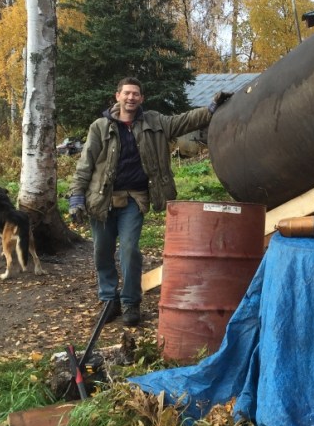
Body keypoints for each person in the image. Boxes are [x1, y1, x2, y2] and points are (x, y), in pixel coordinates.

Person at [68, 77, 232, 326]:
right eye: (126, 93)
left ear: (141, 99)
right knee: (102, 250)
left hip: (134, 199)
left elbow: (183, 121)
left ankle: (131, 302)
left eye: (135, 94)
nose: (131, 98)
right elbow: (85, 165)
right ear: (117, 97)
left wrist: (211, 108)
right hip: (101, 199)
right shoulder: (100, 127)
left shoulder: (155, 122)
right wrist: (76, 197)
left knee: (130, 249)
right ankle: (108, 300)